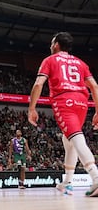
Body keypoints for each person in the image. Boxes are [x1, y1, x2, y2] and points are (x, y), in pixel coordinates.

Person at [28, 32, 98, 197]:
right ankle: (67, 183)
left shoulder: (50, 60)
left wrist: (32, 108)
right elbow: (94, 86)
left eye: (52, 43)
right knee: (69, 140)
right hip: (82, 103)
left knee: (76, 138)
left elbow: (38, 84)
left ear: (57, 45)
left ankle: (95, 176)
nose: (51, 46)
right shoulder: (81, 63)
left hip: (64, 101)